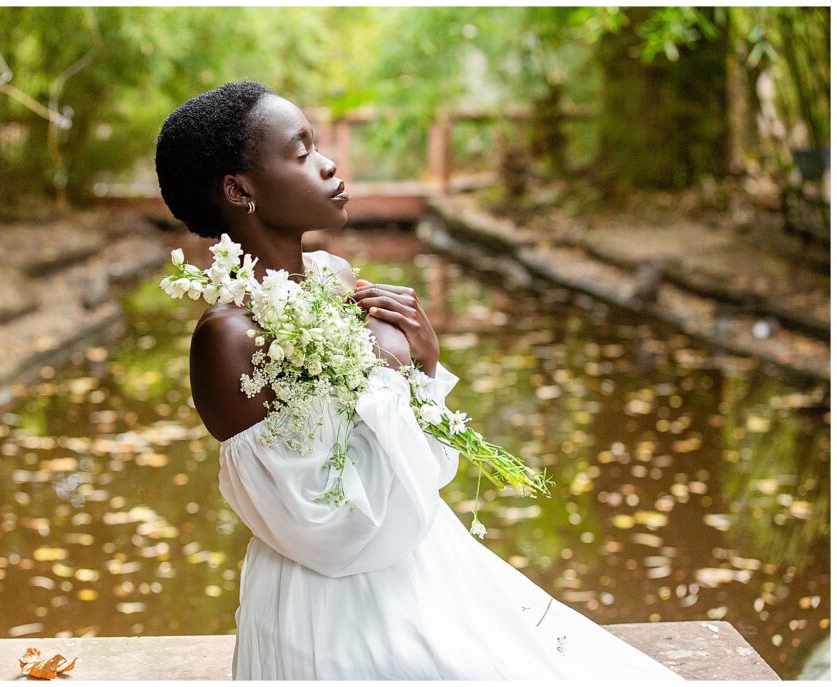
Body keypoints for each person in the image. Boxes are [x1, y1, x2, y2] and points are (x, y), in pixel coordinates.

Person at [154, 81, 685, 680]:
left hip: (427, 558)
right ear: (239, 189)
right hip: (333, 612)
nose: (330, 165)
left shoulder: (334, 276)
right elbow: (321, 530)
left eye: (318, 146)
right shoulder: (228, 337)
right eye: (301, 154)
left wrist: (425, 365)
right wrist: (394, 369)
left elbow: (424, 472)